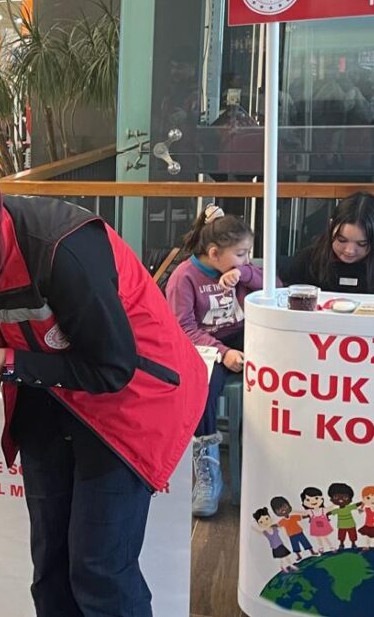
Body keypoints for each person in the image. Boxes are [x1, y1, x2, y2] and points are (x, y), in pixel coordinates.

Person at [0, 149, 206, 617]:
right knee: (50, 568)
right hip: (50, 401)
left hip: (134, 398)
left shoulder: (64, 247)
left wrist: (4, 362)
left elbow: (112, 368)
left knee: (100, 570)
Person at [166, 204, 267, 517]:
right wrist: (224, 354)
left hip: (244, 336)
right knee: (203, 387)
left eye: (249, 253)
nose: (247, 259)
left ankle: (271, 465)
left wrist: (245, 273)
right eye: (241, 254)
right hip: (205, 347)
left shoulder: (240, 270)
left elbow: (273, 287)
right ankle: (208, 473)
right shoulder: (184, 278)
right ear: (213, 252)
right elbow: (184, 329)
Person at [281, 191, 374, 295]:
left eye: (362, 244)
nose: (350, 250)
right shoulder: (308, 261)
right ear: (330, 227)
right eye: (342, 240)